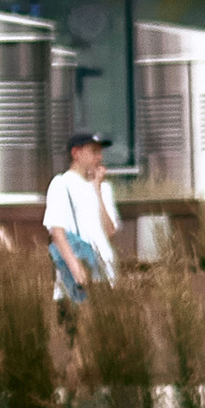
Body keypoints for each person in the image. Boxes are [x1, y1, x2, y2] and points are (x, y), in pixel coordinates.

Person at [43, 129, 121, 301]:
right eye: (94, 151)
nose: (99, 157)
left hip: (105, 272)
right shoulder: (62, 184)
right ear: (76, 153)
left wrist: (97, 190)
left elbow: (109, 231)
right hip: (78, 272)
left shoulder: (104, 188)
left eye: (100, 152)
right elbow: (57, 231)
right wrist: (75, 267)